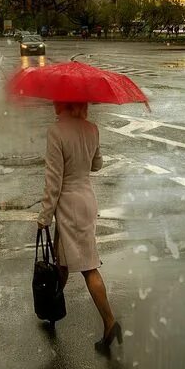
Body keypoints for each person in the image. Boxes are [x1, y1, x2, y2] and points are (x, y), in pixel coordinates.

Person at [37, 101, 121, 353]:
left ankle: (109, 322)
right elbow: (97, 165)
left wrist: (44, 216)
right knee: (63, 261)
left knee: (88, 268)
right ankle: (52, 310)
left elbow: (54, 179)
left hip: (68, 203)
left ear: (62, 102)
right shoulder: (92, 128)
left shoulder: (57, 131)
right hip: (86, 200)